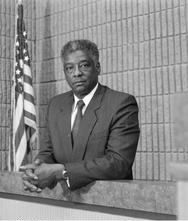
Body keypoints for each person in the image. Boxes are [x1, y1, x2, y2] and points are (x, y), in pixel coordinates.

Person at [20, 39, 140, 192]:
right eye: (69, 68)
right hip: (64, 202)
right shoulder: (55, 105)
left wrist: (62, 171)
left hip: (107, 203)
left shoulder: (121, 104)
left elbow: (119, 163)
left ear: (97, 67)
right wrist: (37, 170)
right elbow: (48, 152)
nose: (76, 73)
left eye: (83, 65)